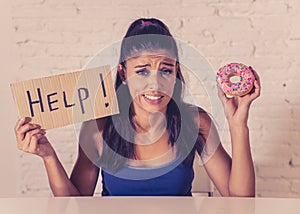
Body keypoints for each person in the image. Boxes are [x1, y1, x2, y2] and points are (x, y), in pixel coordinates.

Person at [14, 18, 261, 197]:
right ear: (123, 73)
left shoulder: (195, 121)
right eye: (142, 71)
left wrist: (238, 125)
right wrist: (48, 156)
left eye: (166, 70)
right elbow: (74, 205)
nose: (155, 83)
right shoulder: (99, 126)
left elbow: (239, 201)